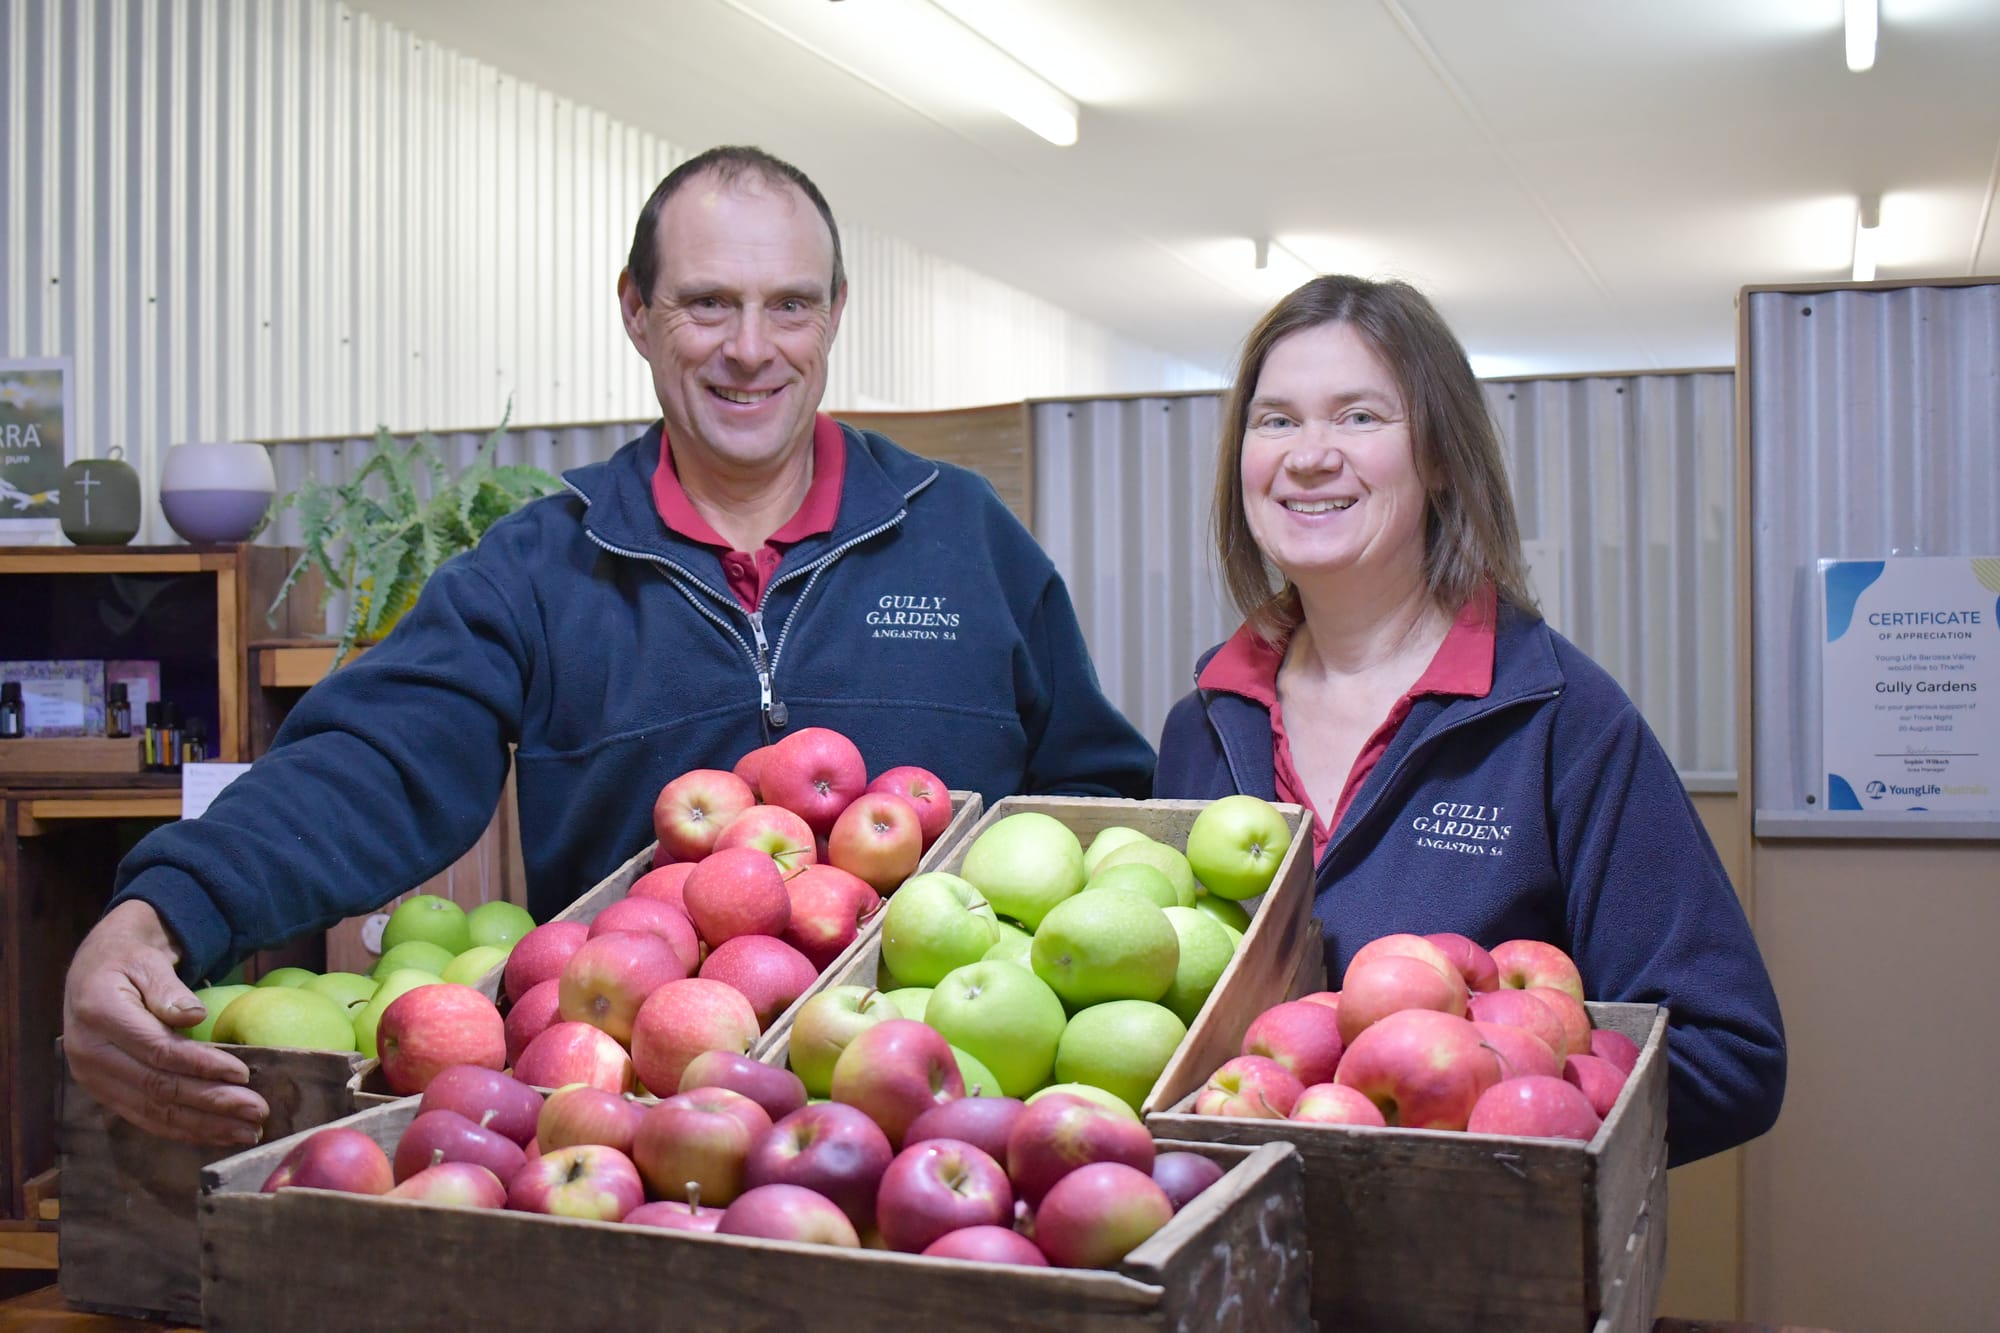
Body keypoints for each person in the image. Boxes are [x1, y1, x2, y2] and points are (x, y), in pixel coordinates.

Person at [63, 146, 1154, 1145]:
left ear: (833, 316)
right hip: (632, 1144)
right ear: (635, 311)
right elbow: (370, 758)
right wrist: (160, 911)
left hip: (952, 1131)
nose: (749, 347)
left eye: (789, 306)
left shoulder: (961, 536)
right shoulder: (543, 566)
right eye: (706, 303)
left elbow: (1100, 807)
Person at [1154, 275, 1783, 1165]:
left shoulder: (1561, 718)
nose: (1309, 454)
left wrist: (1456, 1112)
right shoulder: (1204, 727)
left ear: (1442, 456)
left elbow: (1731, 1053)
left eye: (1361, 417)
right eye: (1277, 420)